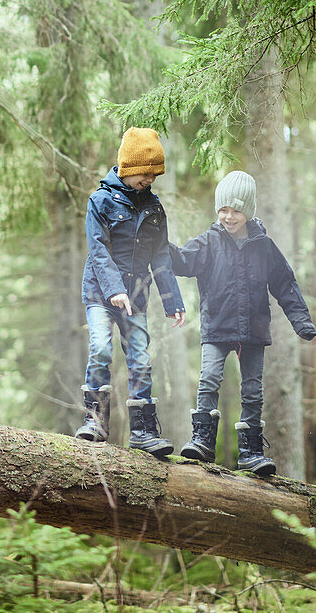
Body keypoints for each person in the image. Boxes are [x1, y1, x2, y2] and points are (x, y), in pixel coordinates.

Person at [170, 169, 316, 476]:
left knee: (252, 390)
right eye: (223, 210)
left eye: (235, 210)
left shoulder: (264, 246)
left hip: (253, 331)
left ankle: (250, 452)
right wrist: (159, 246)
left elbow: (285, 284)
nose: (228, 216)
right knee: (208, 378)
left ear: (247, 212)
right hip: (217, 326)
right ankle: (202, 440)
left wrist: (301, 322)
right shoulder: (209, 242)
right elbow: (182, 261)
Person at [75, 127, 186, 457]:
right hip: (100, 293)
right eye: (145, 173)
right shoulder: (100, 201)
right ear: (127, 167)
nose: (150, 180)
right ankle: (94, 420)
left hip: (136, 297)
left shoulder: (154, 208)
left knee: (140, 357)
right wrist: (114, 290)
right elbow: (97, 251)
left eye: (155, 175)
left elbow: (161, 256)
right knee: (100, 348)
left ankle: (142, 430)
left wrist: (172, 301)